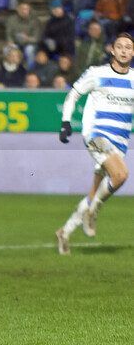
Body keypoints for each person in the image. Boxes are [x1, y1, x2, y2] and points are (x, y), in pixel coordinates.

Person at [56, 33, 134, 254]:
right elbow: (73, 95)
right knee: (121, 175)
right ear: (112, 50)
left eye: (129, 47)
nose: (124, 50)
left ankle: (65, 231)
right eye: (120, 46)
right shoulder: (97, 73)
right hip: (97, 135)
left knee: (94, 192)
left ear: (133, 52)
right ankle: (92, 213)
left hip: (119, 142)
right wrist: (65, 122)